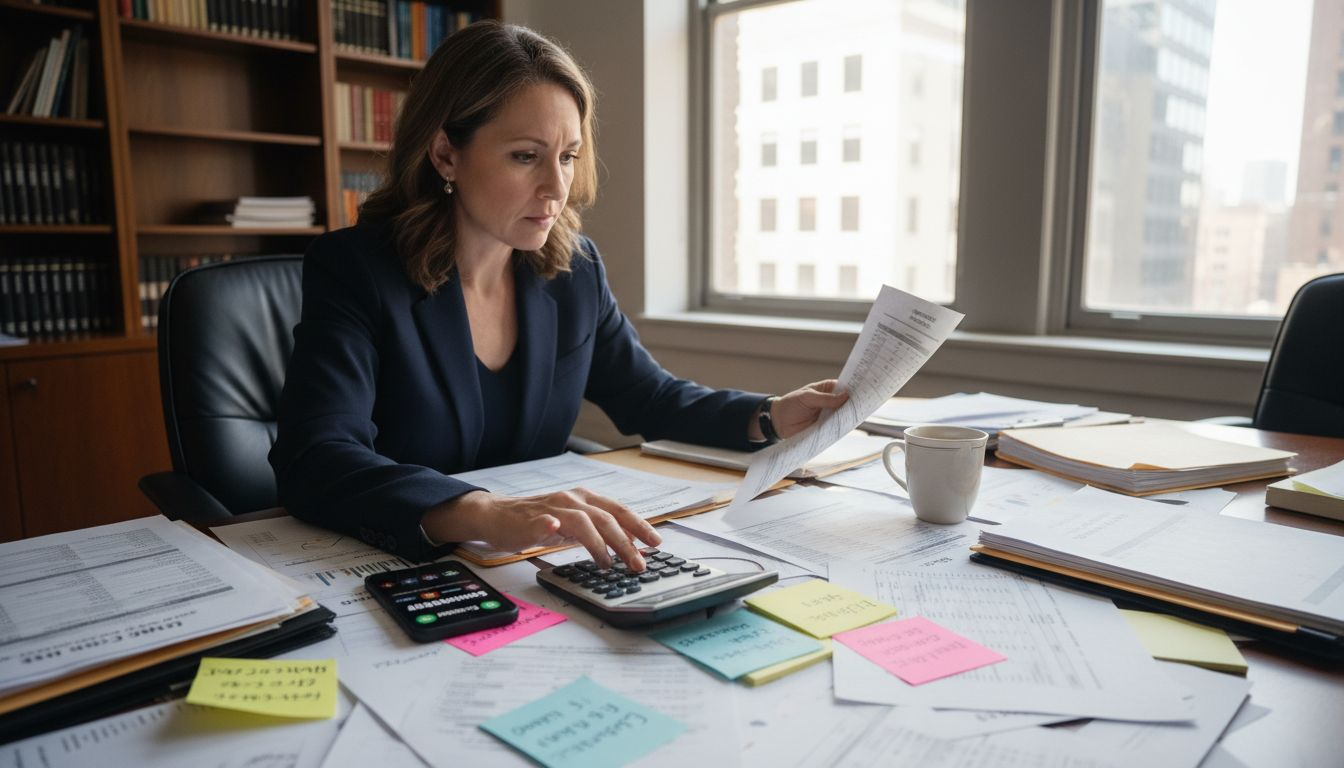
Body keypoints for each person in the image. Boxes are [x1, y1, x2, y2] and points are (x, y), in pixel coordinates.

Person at [269, 21, 847, 572]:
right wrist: (480, 512)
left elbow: (648, 397)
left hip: (535, 560)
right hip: (403, 559)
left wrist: (769, 415)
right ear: (445, 154)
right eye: (526, 156)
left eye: (567, 156)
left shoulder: (574, 267)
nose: (557, 187)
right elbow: (315, 456)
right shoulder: (357, 269)